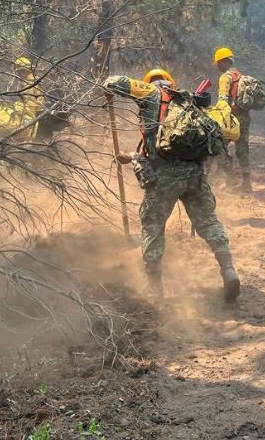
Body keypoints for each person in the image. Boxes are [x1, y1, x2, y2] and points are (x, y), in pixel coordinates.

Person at [103, 69, 241, 302]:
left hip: (163, 179)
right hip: (195, 175)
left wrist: (109, 91)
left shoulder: (149, 93)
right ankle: (228, 269)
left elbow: (113, 82)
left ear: (150, 82)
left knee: (153, 227)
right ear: (170, 82)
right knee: (209, 223)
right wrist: (132, 156)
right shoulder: (188, 101)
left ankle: (155, 289)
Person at [214, 47, 254, 194]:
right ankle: (246, 184)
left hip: (230, 119)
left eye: (218, 62)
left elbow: (223, 100)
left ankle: (230, 178)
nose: (218, 66)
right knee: (243, 149)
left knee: (217, 146)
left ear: (224, 62)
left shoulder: (225, 77)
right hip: (244, 117)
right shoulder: (240, 75)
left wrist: (216, 115)